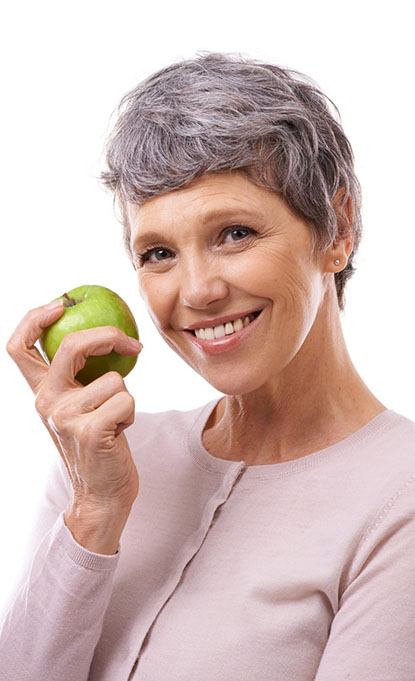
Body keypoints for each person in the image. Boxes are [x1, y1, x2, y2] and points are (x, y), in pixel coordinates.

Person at [1, 50, 414, 681]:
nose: (196, 292)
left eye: (235, 233)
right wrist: (94, 513)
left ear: (337, 230)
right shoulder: (106, 458)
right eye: (158, 252)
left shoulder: (399, 500)